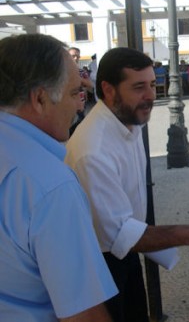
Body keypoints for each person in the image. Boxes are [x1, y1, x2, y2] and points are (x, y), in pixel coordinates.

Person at [65, 47, 189, 322]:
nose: (150, 95)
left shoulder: (129, 120)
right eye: (139, 87)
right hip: (100, 267)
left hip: (126, 254)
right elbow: (121, 234)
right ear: (109, 89)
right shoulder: (93, 150)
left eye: (152, 84)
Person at [0, 34, 117, 321]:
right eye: (74, 93)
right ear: (40, 98)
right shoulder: (49, 185)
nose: (80, 106)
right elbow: (84, 314)